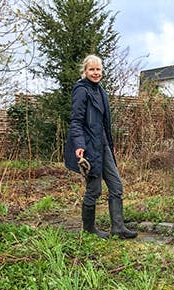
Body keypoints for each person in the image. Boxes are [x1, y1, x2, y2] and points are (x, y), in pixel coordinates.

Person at [64, 54, 137, 239]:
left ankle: (118, 228)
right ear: (85, 71)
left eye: (98, 69)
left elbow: (104, 124)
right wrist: (79, 145)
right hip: (89, 147)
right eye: (92, 69)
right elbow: (76, 121)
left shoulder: (101, 91)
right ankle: (89, 231)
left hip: (103, 146)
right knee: (94, 190)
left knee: (116, 186)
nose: (95, 73)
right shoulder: (81, 90)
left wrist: (110, 146)